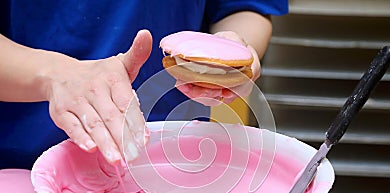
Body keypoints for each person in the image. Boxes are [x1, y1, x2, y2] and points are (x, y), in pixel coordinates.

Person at [0, 1, 288, 169]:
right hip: (22, 167)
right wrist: (53, 74)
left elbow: (243, 7)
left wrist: (228, 51)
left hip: (177, 161)